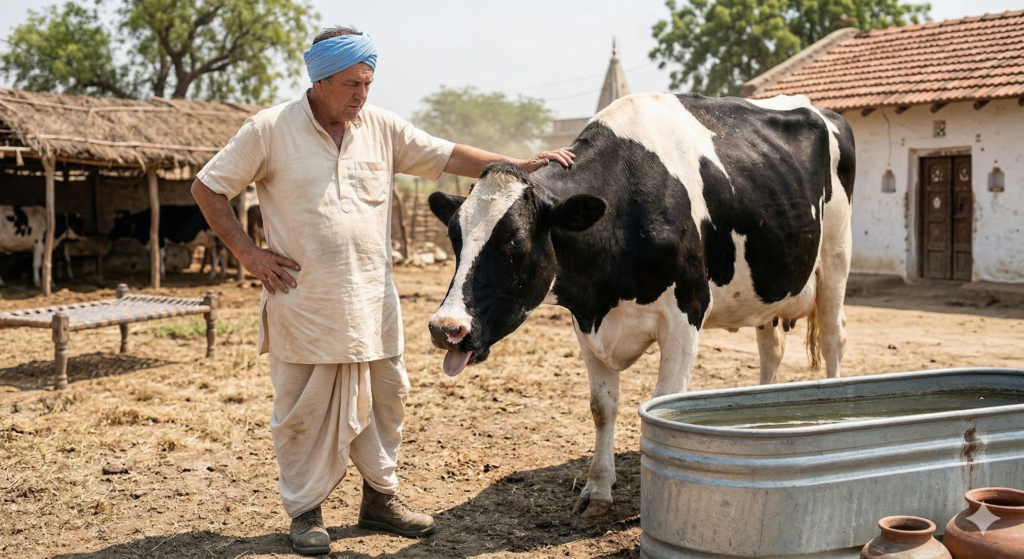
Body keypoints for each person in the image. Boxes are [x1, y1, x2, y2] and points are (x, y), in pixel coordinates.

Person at [190, 26, 574, 555]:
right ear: (320, 80)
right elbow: (207, 187)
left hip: (374, 301)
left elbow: (447, 155)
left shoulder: (381, 127)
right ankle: (306, 512)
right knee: (302, 410)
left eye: (368, 83)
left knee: (387, 401)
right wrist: (248, 255)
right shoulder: (270, 128)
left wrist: (515, 164)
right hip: (305, 302)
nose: (361, 95)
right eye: (351, 84)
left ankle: (380, 499)